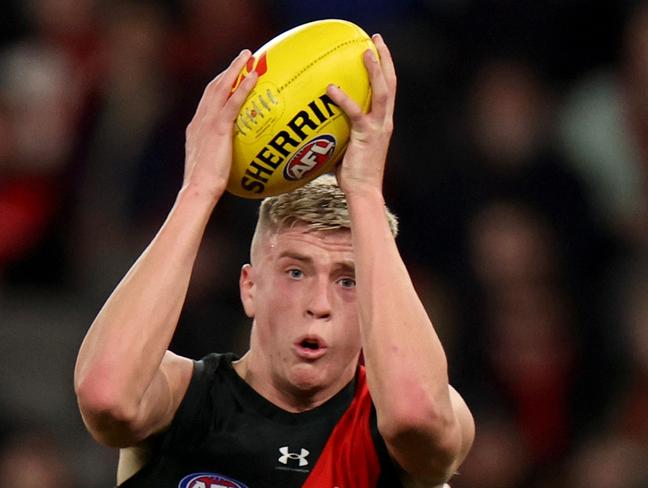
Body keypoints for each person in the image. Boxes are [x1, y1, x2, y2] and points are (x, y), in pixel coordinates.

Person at [74, 34, 474, 487]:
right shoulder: (179, 394)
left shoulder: (404, 423)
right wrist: (200, 188)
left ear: (375, 305)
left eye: (348, 281)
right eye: (296, 271)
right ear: (250, 286)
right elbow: (105, 398)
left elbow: (417, 418)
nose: (318, 303)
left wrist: (364, 191)